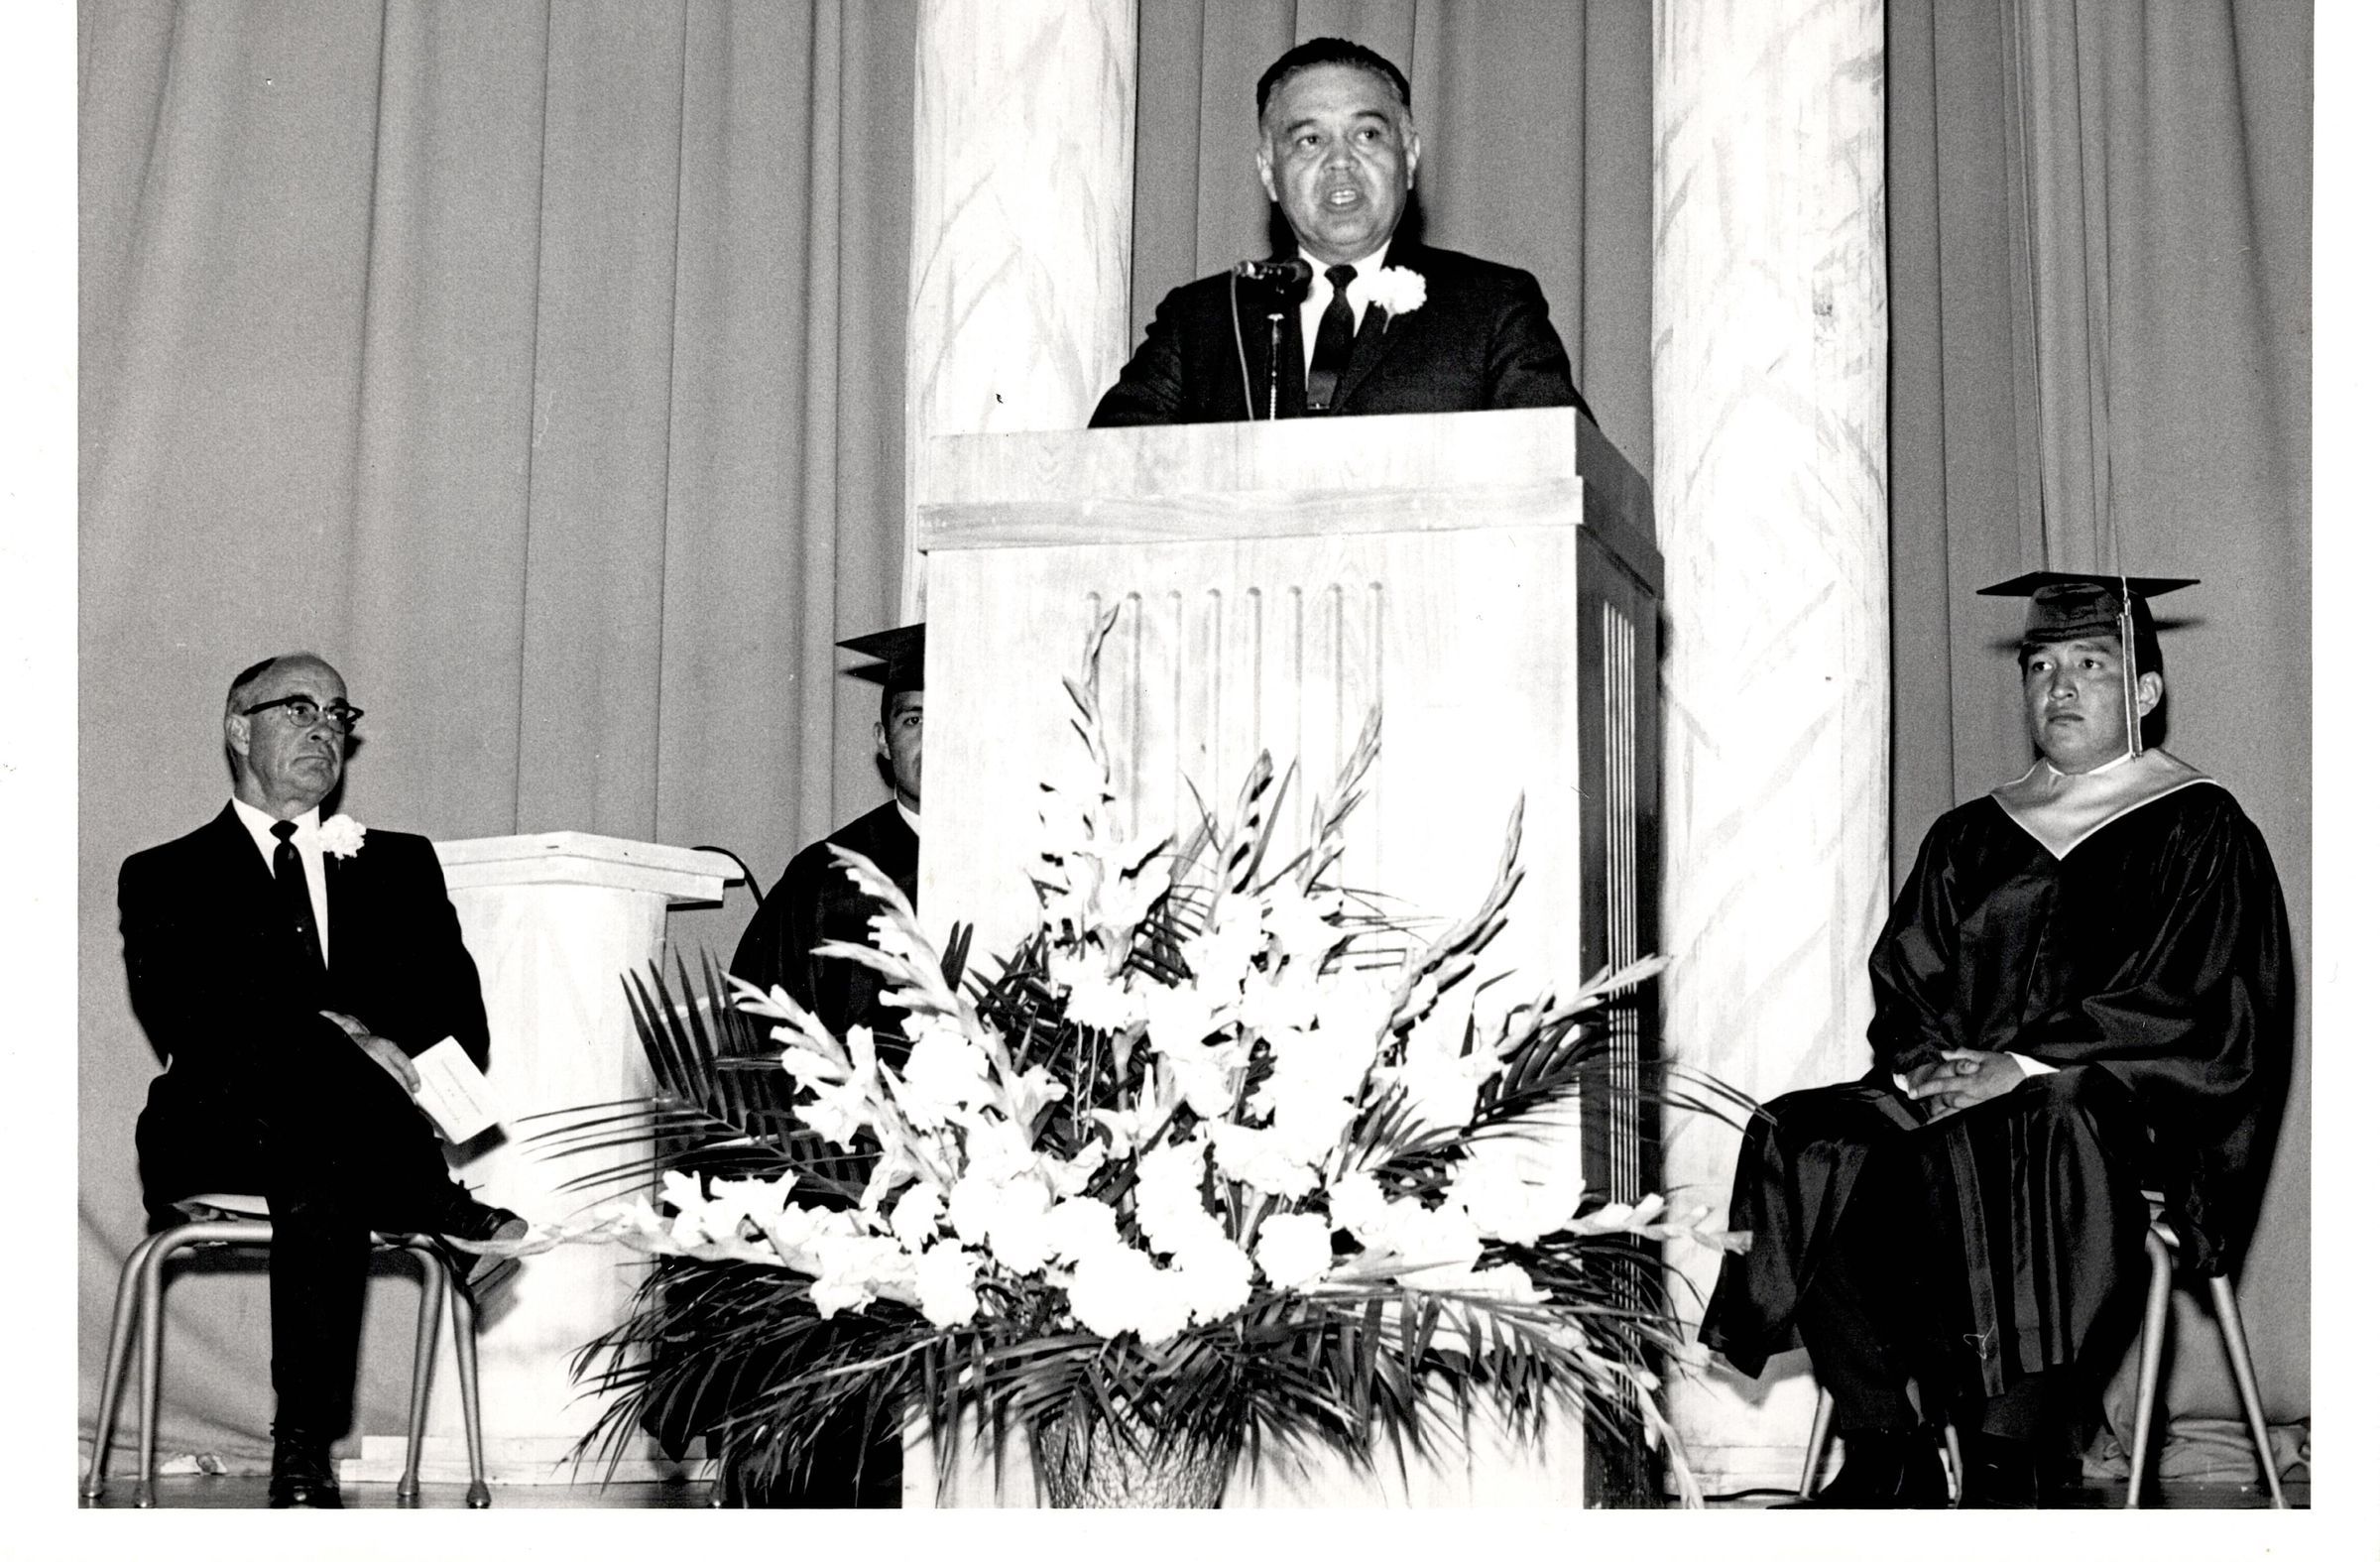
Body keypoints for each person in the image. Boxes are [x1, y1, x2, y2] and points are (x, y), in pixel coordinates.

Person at [1697, 572, 2293, 1508]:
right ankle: (1883, 1445)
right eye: (2042, 666)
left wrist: (2020, 1066)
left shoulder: (2201, 826)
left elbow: (2197, 1003)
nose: (2060, 687)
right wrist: (1931, 1067)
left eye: (2091, 665)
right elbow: (1907, 979)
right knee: (1805, 1136)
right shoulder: (1971, 833)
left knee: (2043, 1121)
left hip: (2113, 1112)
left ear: (2145, 692)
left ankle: (2005, 1459)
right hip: (1963, 1106)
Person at [119, 653, 527, 1509]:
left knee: (321, 1157)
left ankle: (302, 1445)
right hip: (221, 1125)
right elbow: (193, 1022)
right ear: (240, 728)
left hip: (339, 1148)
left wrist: (367, 1043)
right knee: (313, 1102)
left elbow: (460, 1024)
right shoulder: (163, 872)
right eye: (298, 709)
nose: (324, 729)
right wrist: (340, 1032)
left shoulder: (400, 863)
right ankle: (438, 1203)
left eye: (338, 714)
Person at [1089, 37, 1591, 427]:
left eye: (1367, 134)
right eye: (1310, 140)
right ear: (1268, 172)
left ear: (1409, 156)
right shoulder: (1202, 320)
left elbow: (1565, 466)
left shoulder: (1492, 307)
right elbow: (1106, 467)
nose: (1340, 161)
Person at [729, 622, 922, 1043]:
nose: (935, 738)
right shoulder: (823, 877)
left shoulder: (1029, 863)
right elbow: (758, 1028)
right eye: (913, 719)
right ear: (883, 740)